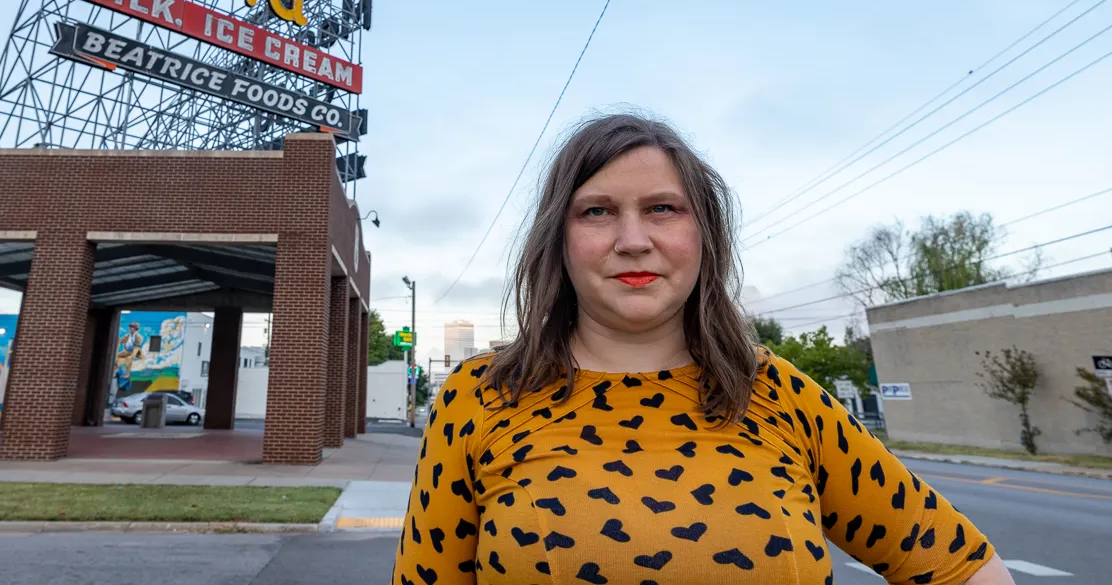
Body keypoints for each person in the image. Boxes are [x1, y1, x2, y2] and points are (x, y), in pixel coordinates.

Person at [393, 113, 1014, 585]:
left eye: (662, 208)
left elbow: (963, 566)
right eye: (598, 211)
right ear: (558, 239)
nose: (633, 239)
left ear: (703, 235)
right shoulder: (481, 397)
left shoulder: (782, 396)